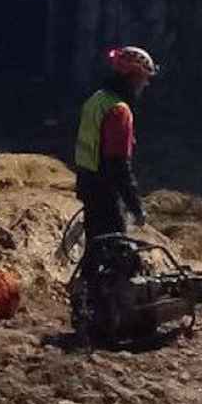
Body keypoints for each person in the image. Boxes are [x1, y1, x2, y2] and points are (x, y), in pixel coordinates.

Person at [73, 46, 157, 273]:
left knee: (94, 251)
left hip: (88, 185)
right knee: (119, 259)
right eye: (143, 79)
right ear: (132, 77)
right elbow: (119, 165)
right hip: (106, 193)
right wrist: (135, 206)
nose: (145, 85)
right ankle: (113, 305)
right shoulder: (119, 111)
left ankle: (87, 301)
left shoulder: (96, 100)